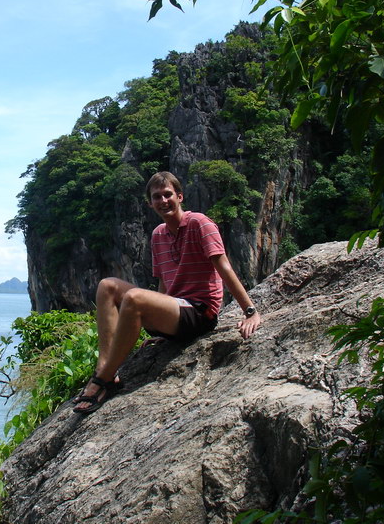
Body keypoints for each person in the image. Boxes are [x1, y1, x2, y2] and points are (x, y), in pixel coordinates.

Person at [73, 171, 262, 414]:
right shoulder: (158, 235)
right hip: (174, 312)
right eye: (156, 197)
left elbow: (224, 268)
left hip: (199, 313)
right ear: (150, 203)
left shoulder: (200, 223)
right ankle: (104, 369)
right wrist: (161, 327)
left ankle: (103, 380)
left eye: (167, 194)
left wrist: (250, 312)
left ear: (180, 196)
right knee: (107, 285)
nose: (163, 201)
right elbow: (163, 282)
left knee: (133, 297)